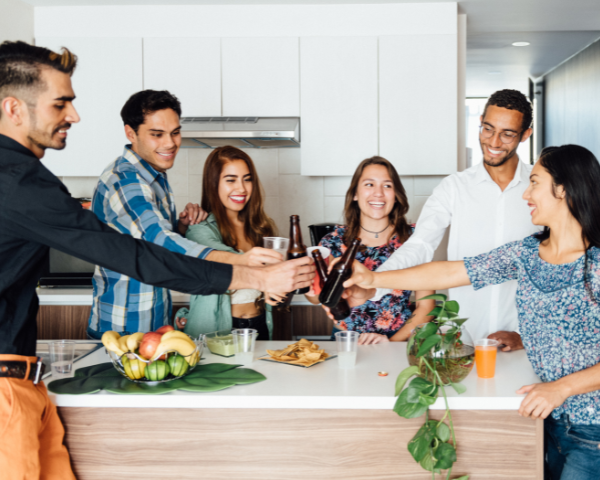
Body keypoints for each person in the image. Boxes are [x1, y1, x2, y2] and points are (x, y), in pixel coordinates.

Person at [0, 41, 313, 479]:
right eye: (61, 103)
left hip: (21, 378)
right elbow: (140, 250)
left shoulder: (29, 177)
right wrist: (248, 273)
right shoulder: (21, 181)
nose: (74, 116)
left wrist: (193, 231)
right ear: (14, 108)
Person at [343, 145, 600, 480]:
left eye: (534, 182)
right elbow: (451, 272)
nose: (526, 192)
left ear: (563, 189)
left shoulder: (595, 263)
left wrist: (562, 388)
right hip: (546, 419)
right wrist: (374, 278)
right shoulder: (527, 254)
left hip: (592, 430)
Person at [346, 90, 537, 349]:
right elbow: (420, 245)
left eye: (507, 133)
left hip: (525, 342)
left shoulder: (540, 188)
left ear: (526, 134)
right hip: (464, 340)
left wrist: (525, 336)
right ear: (480, 122)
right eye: (487, 129)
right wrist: (375, 284)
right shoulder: (454, 188)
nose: (493, 141)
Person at [87, 91, 284, 338]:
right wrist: (244, 260)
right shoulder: (125, 180)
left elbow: (149, 244)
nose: (170, 143)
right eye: (157, 134)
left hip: (153, 322)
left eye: (175, 132)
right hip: (124, 326)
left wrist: (180, 227)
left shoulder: (155, 178)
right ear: (130, 133)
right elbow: (158, 240)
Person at [306, 156, 435, 344]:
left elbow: (426, 306)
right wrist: (308, 282)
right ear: (355, 194)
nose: (378, 193)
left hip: (399, 341)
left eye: (387, 186)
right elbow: (317, 298)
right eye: (369, 184)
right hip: (346, 341)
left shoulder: (415, 239)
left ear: (396, 195)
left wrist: (391, 343)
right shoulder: (333, 241)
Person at [174, 146, 283, 339]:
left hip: (260, 324)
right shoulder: (200, 228)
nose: (241, 188)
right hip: (216, 328)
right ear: (213, 184)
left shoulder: (261, 228)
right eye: (230, 180)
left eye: (247, 179)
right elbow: (220, 260)